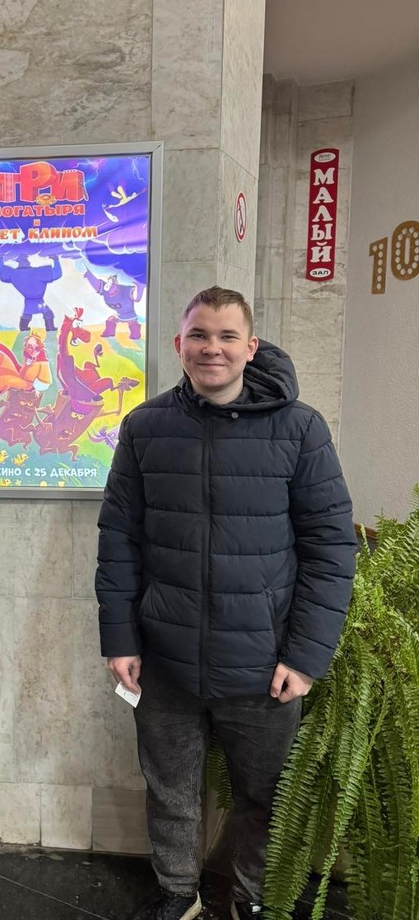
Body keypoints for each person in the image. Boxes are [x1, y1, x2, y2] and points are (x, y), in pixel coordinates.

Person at [94, 287, 357, 920]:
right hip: (165, 657)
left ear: (251, 346)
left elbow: (330, 548)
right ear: (178, 344)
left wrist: (306, 656)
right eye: (199, 335)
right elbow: (119, 539)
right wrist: (120, 639)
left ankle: (252, 898)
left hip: (264, 665)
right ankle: (177, 893)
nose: (212, 348)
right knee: (169, 788)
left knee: (266, 798)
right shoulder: (145, 427)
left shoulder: (300, 429)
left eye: (227, 335)